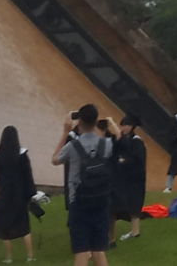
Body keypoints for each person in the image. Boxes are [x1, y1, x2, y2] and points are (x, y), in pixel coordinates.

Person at [52, 107, 113, 266]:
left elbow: (55, 159)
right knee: (99, 250)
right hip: (101, 201)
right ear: (96, 121)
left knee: (81, 251)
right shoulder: (106, 144)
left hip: (78, 203)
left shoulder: (73, 146)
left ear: (79, 122)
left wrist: (65, 132)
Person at [0, 127, 35, 261]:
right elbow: (28, 175)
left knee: (5, 227)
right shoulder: (22, 155)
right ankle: (30, 256)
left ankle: (9, 258)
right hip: (19, 194)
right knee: (24, 227)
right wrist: (30, 194)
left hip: (4, 193)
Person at [104, 118, 144, 245]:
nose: (123, 127)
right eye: (122, 125)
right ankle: (120, 234)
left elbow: (138, 159)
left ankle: (135, 231)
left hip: (135, 178)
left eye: (126, 125)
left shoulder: (137, 141)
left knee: (134, 204)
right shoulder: (124, 139)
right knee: (121, 205)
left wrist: (124, 161)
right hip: (123, 178)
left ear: (132, 126)